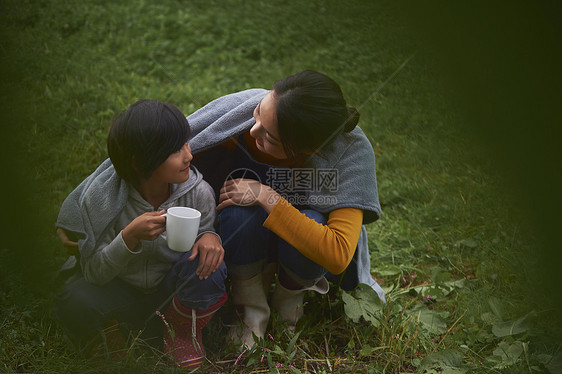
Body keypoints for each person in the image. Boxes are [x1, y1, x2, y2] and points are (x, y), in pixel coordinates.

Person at [188, 70, 385, 349]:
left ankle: (288, 306)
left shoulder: (348, 152)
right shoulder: (240, 119)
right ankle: (250, 310)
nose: (253, 130)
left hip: (303, 255)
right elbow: (171, 156)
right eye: (257, 113)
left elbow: (338, 253)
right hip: (242, 241)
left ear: (311, 150)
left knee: (313, 218)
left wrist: (267, 196)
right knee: (237, 212)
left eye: (270, 138)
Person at [54, 100, 227, 370]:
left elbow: (205, 231)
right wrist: (128, 238)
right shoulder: (103, 200)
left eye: (186, 143)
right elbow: (94, 273)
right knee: (73, 298)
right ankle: (110, 332)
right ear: (139, 162)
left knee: (211, 266)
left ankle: (181, 330)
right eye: (175, 150)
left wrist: (210, 237)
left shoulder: (198, 192)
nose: (189, 155)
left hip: (170, 293)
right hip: (120, 290)